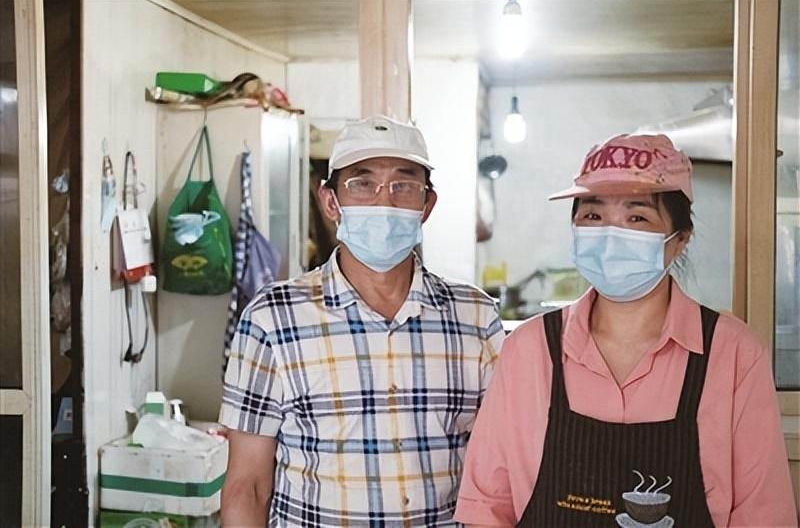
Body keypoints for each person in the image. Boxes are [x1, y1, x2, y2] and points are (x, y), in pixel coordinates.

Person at [454, 134, 798, 527]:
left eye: (637, 218)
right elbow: (488, 508)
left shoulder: (733, 353)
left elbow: (763, 515)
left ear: (679, 240)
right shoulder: (529, 350)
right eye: (593, 216)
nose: (610, 235)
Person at [220, 115, 505, 526]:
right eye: (362, 183)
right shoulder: (272, 319)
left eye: (403, 186)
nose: (383, 202)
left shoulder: (475, 317)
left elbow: (497, 472)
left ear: (427, 205)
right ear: (330, 202)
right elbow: (248, 486)